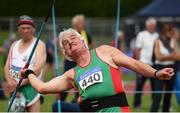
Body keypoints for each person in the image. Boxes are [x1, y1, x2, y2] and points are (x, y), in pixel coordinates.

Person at [20, 28, 174, 112]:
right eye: (66, 43)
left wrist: (155, 73)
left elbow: (134, 64)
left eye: (73, 38)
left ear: (82, 40)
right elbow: (42, 87)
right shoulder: (71, 74)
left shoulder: (105, 52)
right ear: (66, 53)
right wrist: (29, 73)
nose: (70, 42)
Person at [4, 15, 46, 112]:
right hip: (14, 87)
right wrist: (10, 82)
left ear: (33, 29)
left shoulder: (39, 44)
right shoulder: (14, 44)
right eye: (23, 28)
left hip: (31, 87)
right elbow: (6, 66)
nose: (26, 30)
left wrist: (20, 83)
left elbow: (38, 69)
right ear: (19, 30)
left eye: (28, 28)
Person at [150, 23, 180, 112]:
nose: (171, 33)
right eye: (169, 31)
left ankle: (165, 111)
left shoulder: (173, 41)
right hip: (159, 68)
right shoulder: (157, 41)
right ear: (164, 31)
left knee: (168, 93)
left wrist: (166, 56)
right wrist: (171, 55)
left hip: (171, 68)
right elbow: (158, 57)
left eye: (172, 31)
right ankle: (154, 111)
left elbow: (178, 56)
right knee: (158, 94)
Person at [133, 18, 159, 109]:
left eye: (154, 26)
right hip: (143, 64)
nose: (152, 27)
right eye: (151, 25)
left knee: (155, 86)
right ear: (147, 25)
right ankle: (137, 104)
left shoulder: (157, 35)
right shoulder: (141, 35)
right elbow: (137, 49)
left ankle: (154, 104)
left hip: (154, 64)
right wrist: (138, 63)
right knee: (139, 85)